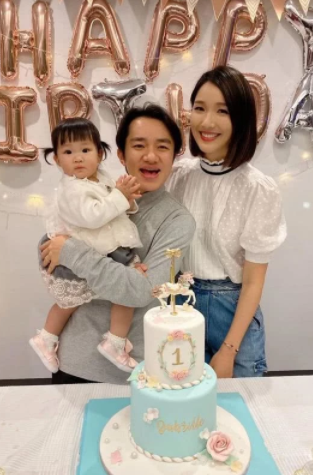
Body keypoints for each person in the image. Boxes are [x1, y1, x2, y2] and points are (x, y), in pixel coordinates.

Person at [40, 105, 196, 384]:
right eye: (139, 145)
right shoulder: (94, 193)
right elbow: (50, 256)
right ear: (121, 154)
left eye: (162, 147)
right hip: (73, 361)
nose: (151, 156)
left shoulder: (177, 220)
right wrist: (117, 277)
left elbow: (142, 291)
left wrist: (72, 253)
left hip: (135, 370)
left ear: (175, 156)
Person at [167, 66, 287, 378]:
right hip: (182, 303)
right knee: (183, 398)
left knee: (237, 403)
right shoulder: (178, 176)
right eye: (199, 108)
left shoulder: (257, 188)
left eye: (222, 111)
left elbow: (253, 282)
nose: (207, 122)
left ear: (241, 119)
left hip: (232, 312)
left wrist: (229, 349)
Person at [30, 118, 146, 374]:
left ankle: (52, 337)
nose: (78, 158)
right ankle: (109, 342)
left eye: (85, 150)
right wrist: (120, 196)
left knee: (83, 300)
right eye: (68, 152)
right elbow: (93, 216)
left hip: (97, 249)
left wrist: (127, 199)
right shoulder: (72, 189)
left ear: (100, 154)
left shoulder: (100, 178)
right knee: (86, 299)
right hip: (81, 252)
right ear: (57, 160)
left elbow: (115, 209)